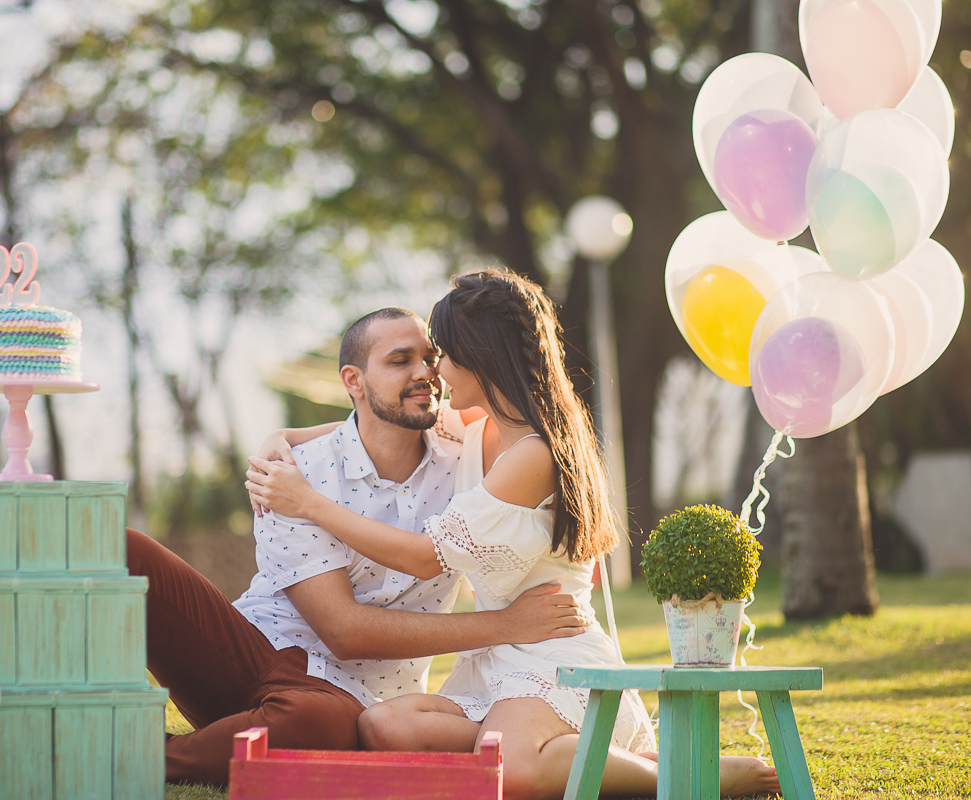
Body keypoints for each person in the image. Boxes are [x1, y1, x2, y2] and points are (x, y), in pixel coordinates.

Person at [246, 269, 781, 800]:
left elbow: (425, 557)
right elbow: (374, 421)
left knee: (514, 773)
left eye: (442, 355)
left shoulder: (534, 453)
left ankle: (694, 777)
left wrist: (308, 502)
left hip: (552, 653)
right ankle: (580, 755)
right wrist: (282, 437)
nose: (435, 373)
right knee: (384, 727)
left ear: (479, 356)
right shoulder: (473, 427)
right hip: (494, 660)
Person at [125, 305, 591, 787]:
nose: (424, 373)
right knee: (124, 549)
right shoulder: (292, 475)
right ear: (354, 380)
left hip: (347, 695)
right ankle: (94, 706)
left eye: (431, 358)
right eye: (400, 360)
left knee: (315, 722)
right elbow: (343, 630)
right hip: (252, 650)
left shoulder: (468, 464)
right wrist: (282, 438)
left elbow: (516, 422)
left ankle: (136, 757)